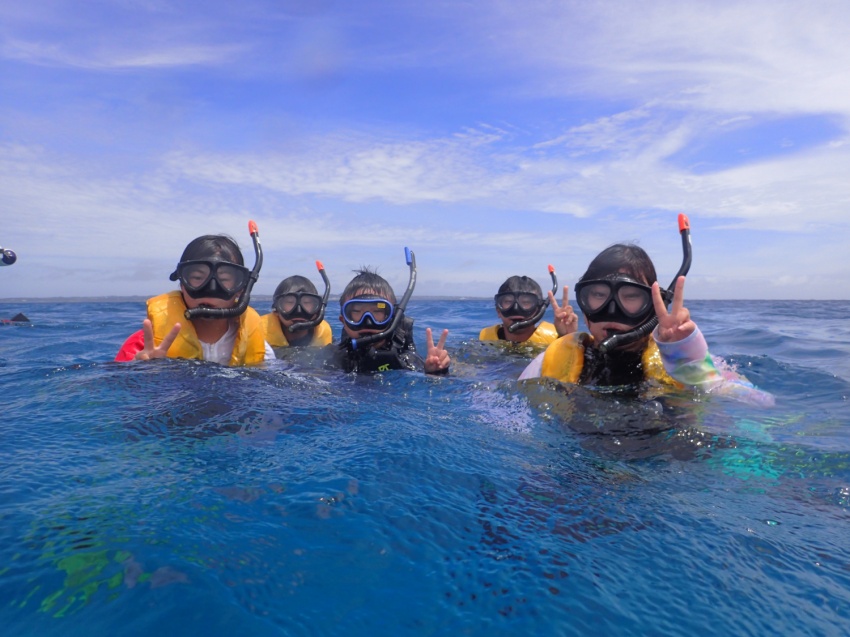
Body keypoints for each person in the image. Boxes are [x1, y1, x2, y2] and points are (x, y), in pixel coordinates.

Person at [519, 244, 774, 407]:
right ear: (584, 309)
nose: (612, 309)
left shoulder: (680, 358)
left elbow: (761, 402)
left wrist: (688, 361)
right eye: (597, 295)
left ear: (653, 306)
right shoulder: (549, 361)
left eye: (631, 296)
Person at [115, 233, 273, 366]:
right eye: (197, 277)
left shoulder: (260, 347)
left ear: (241, 288)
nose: (211, 289)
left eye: (224, 279)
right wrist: (142, 372)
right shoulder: (142, 346)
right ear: (182, 282)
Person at [326, 267, 451, 374]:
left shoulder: (408, 360)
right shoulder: (333, 359)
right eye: (357, 312)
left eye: (378, 312)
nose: (368, 322)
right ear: (344, 321)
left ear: (393, 318)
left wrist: (435, 372)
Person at [479, 275, 577, 346]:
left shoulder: (554, 343)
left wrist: (568, 338)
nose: (516, 309)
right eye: (508, 302)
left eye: (526, 302)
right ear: (498, 310)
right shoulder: (486, 343)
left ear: (539, 310)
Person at [261, 275, 333, 355]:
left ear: (317, 310)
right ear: (276, 310)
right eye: (289, 302)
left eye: (307, 303)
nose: (299, 311)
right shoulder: (258, 337)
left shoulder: (328, 342)